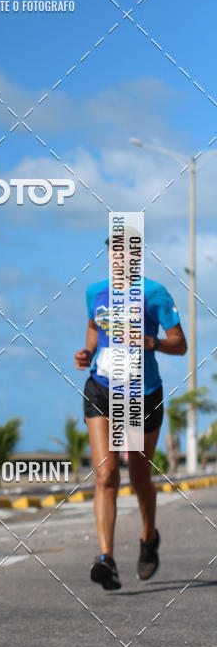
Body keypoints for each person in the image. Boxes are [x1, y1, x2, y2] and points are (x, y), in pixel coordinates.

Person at [74, 245, 186, 590]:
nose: (120, 260)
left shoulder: (155, 293)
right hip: (102, 388)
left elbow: (179, 344)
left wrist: (149, 341)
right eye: (114, 254)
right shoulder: (95, 292)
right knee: (106, 475)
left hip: (141, 394)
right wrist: (87, 351)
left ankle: (148, 537)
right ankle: (106, 559)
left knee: (139, 479)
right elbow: (95, 329)